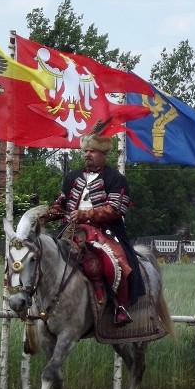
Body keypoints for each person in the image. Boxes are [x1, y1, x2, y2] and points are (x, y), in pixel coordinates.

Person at [38, 124, 142, 326]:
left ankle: (119, 306)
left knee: (116, 263)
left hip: (104, 230)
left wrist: (86, 214)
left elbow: (114, 209)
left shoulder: (116, 179)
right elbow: (62, 204)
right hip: (71, 230)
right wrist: (44, 216)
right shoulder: (71, 177)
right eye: (85, 151)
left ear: (103, 154)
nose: (87, 155)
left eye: (92, 151)